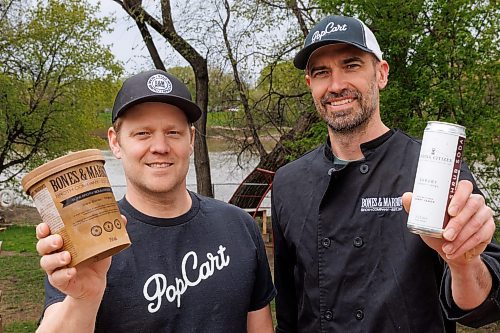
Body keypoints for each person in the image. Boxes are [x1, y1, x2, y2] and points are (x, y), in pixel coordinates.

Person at [272, 15, 500, 332]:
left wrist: (464, 263)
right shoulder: (288, 181)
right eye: (322, 72)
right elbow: (287, 311)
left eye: (351, 65)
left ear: (381, 74)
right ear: (311, 85)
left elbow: (482, 310)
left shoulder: (436, 169)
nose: (336, 85)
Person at [35, 69, 276, 332]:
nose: (160, 146)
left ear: (191, 139)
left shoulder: (240, 227)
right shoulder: (89, 241)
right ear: (115, 142)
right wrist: (84, 299)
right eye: (143, 133)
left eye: (173, 132)